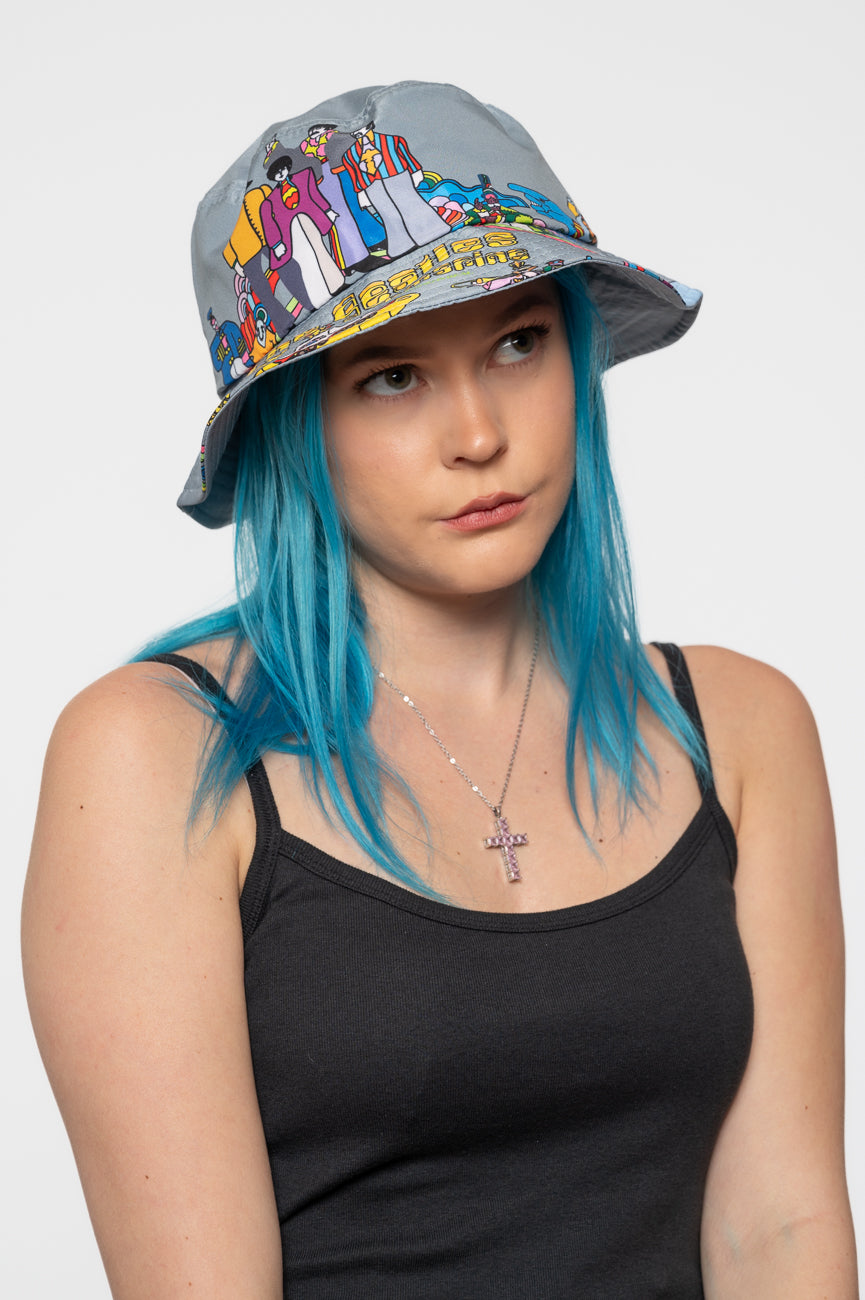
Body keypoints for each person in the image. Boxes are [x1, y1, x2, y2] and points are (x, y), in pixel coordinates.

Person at [21, 81, 856, 1298]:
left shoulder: (735, 729)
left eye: (518, 343)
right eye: (391, 376)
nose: (477, 433)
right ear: (296, 424)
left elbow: (777, 1231)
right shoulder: (156, 755)